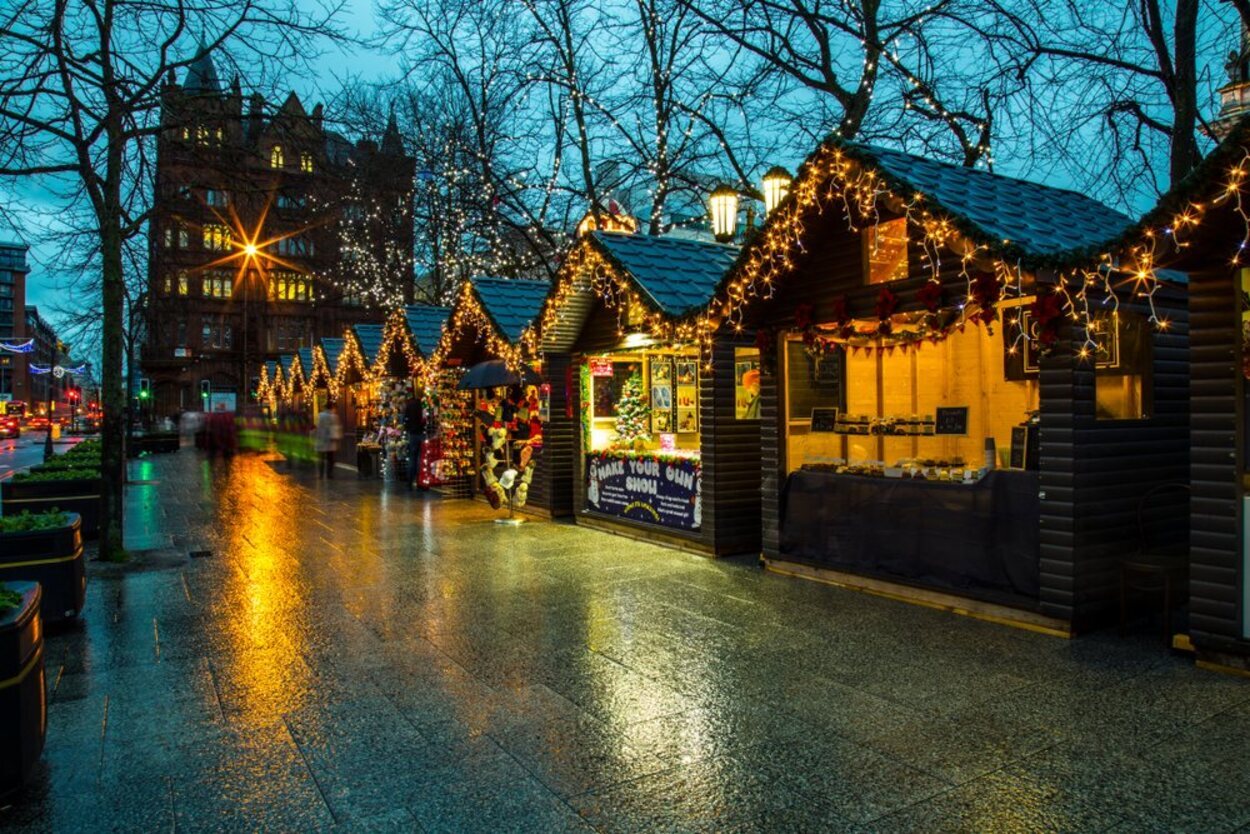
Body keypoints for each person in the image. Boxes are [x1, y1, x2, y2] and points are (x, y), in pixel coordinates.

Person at [403, 392, 427, 489]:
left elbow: (406, 419)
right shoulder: (423, 405)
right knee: (420, 458)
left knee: (412, 457)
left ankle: (409, 482)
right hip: (421, 433)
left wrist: (408, 428)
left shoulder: (409, 405)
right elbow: (425, 419)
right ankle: (420, 482)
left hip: (412, 434)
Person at [314, 402, 342, 479]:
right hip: (330, 441)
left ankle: (320, 474)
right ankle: (329, 474)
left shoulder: (320, 416)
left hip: (321, 440)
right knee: (330, 459)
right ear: (331, 407)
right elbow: (336, 429)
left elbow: (316, 427)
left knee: (321, 459)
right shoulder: (334, 417)